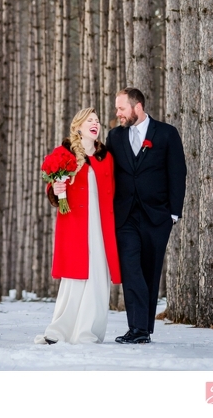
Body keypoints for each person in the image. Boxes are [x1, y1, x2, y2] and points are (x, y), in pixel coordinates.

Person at [106, 87, 186, 344]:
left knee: (150, 271)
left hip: (157, 216)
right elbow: (107, 173)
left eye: (121, 108)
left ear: (137, 106)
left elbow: (177, 173)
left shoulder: (166, 133)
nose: (117, 113)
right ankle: (138, 329)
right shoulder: (115, 136)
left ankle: (144, 328)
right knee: (131, 269)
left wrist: (174, 213)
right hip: (125, 216)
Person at [36, 108, 121, 344]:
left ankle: (87, 333)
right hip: (74, 223)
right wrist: (55, 189)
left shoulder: (106, 157)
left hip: (101, 225)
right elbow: (52, 185)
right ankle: (59, 331)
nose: (95, 124)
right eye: (89, 120)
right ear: (78, 127)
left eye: (97, 121)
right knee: (74, 277)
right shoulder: (64, 153)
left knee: (97, 276)